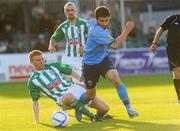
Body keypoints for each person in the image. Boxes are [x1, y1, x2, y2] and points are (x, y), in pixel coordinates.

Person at [80, 6, 138, 118]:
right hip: (90, 65)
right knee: (90, 95)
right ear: (96, 19)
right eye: (101, 21)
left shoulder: (91, 22)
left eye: (106, 20)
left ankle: (129, 109)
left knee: (116, 79)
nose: (104, 23)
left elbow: (81, 23)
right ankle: (78, 106)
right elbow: (116, 45)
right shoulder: (97, 32)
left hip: (102, 60)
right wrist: (127, 30)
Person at [27, 50, 111, 124]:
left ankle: (91, 113)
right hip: (62, 98)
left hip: (74, 89)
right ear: (32, 62)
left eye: (42, 59)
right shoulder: (33, 81)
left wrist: (82, 81)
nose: (42, 61)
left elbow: (71, 72)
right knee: (69, 96)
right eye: (38, 60)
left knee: (104, 108)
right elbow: (35, 101)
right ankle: (92, 116)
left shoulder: (54, 66)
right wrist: (37, 120)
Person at [48, 2, 88, 76]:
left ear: (75, 10)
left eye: (72, 10)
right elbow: (54, 37)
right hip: (68, 58)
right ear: (65, 12)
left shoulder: (84, 23)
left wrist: (86, 47)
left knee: (84, 82)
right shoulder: (63, 26)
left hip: (82, 59)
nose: (70, 12)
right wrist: (51, 46)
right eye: (68, 10)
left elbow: (93, 37)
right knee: (66, 80)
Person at [150, 14, 180, 104]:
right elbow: (161, 29)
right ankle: (179, 98)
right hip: (172, 50)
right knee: (177, 72)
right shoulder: (174, 18)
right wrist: (154, 43)